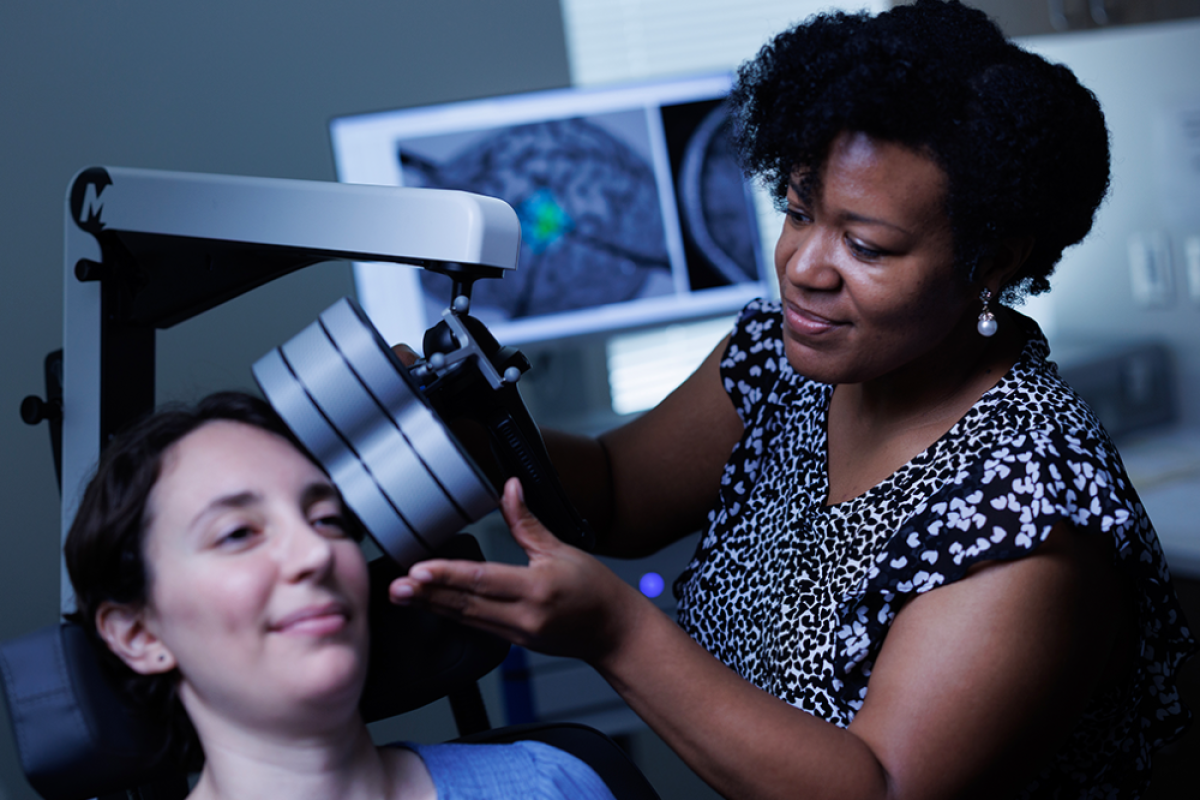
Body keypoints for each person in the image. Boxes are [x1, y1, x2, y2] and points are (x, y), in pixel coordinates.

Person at [389, 1, 1195, 797]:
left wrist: (616, 632)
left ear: (990, 264)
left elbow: (877, 789)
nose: (804, 266)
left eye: (866, 245)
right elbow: (617, 490)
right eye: (799, 212)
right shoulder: (784, 357)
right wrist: (471, 419)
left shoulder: (1028, 513)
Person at [63, 391, 616, 800]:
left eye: (327, 520)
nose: (316, 553)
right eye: (238, 533)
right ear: (139, 634)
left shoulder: (551, 784)